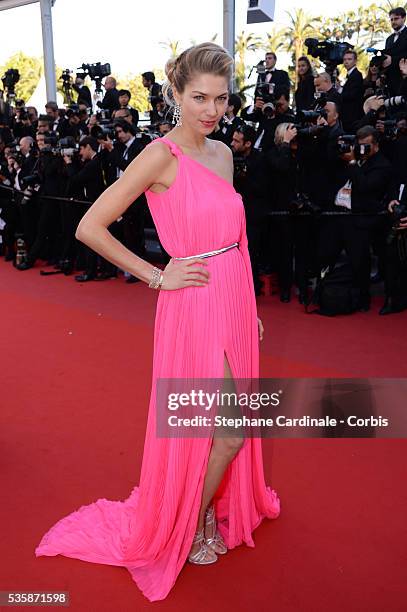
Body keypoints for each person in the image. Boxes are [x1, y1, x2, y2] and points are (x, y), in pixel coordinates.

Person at [35, 42, 280, 602]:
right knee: (227, 429)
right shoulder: (159, 155)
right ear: (175, 94)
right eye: (198, 97)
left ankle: (196, 513)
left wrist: (251, 306)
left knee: (225, 426)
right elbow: (90, 226)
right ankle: (190, 521)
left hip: (234, 295)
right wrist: (155, 275)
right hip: (192, 302)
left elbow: (236, 235)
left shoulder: (223, 153)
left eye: (220, 98)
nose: (211, 110)